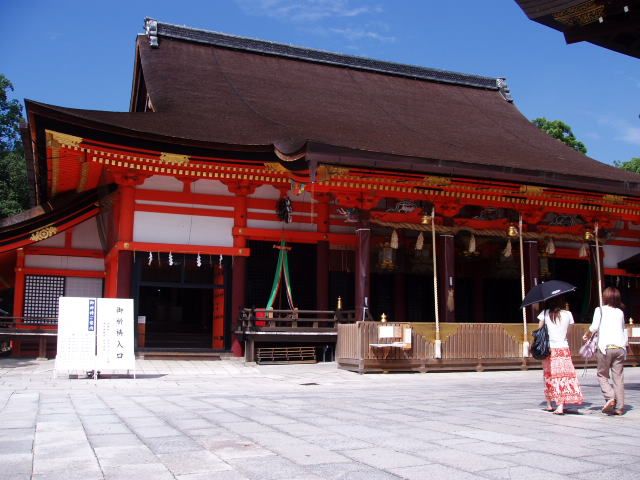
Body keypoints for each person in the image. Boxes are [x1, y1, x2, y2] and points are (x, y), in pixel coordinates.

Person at [583, 287, 628, 415]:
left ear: (605, 297)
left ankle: (610, 397)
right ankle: (619, 407)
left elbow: (594, 327)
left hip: (605, 348)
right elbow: (623, 329)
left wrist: (586, 335)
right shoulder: (620, 312)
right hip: (619, 348)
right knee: (618, 378)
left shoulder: (600, 310)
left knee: (602, 375)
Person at [538, 295, 583, 414]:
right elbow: (568, 332)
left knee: (548, 375)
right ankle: (561, 403)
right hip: (563, 348)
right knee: (563, 376)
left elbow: (539, 330)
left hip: (549, 349)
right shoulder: (568, 314)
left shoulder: (545, 313)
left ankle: (549, 404)